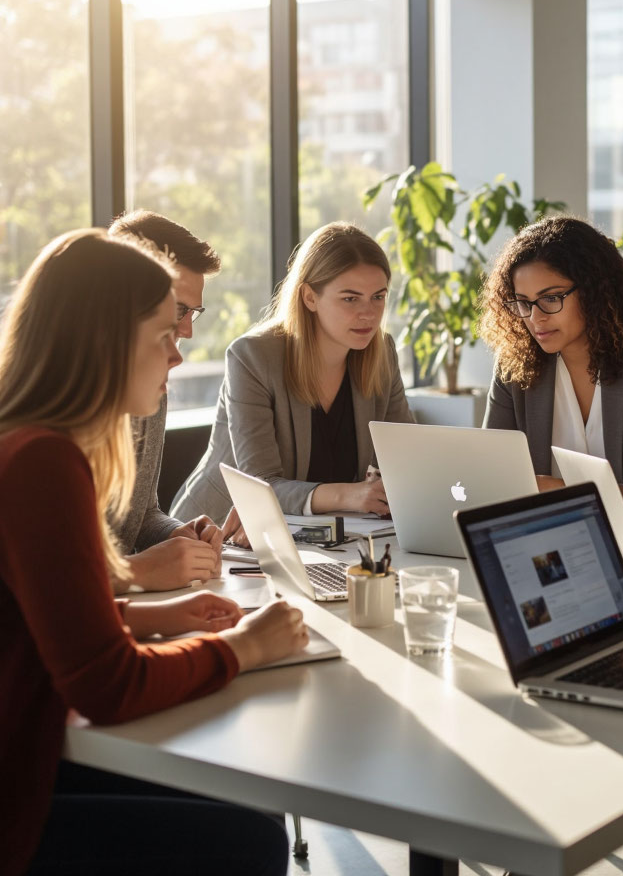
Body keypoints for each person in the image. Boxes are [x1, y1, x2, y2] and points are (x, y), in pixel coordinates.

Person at [0, 229, 309, 875]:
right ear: (106, 344)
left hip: (31, 751)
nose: (176, 354)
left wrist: (150, 618)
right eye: (163, 334)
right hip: (15, 807)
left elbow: (28, 618)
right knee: (251, 840)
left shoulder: (26, 443)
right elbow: (110, 687)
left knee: (250, 803)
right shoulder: (43, 463)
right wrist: (248, 646)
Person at [173, 222, 413, 523]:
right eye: (350, 299)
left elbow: (407, 460)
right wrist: (350, 495)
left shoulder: (383, 354)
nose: (368, 313)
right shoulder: (252, 358)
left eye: (378, 297)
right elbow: (261, 485)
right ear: (309, 297)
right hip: (217, 537)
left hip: (319, 537)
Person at [479, 215, 623, 513]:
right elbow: (490, 474)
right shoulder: (514, 363)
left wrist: (565, 490)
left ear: (596, 291)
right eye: (523, 302)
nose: (535, 318)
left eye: (551, 298)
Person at [107, 210, 227, 591]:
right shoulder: (53, 421)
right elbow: (50, 578)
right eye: (178, 310)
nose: (187, 331)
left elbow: (141, 518)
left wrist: (179, 534)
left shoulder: (152, 388)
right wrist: (139, 571)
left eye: (194, 312)